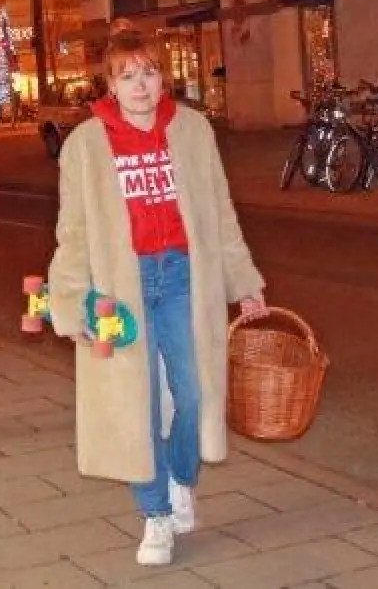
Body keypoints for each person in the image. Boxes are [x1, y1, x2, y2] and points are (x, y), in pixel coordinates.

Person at [47, 29, 267, 567]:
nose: (140, 85)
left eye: (147, 72)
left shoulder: (192, 131)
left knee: (193, 392)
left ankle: (180, 476)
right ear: (110, 84)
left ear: (161, 76)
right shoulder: (85, 145)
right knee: (134, 400)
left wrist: (245, 280)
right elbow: (72, 232)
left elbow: (219, 210)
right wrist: (70, 303)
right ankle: (155, 516)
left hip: (182, 276)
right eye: (127, 76)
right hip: (118, 288)